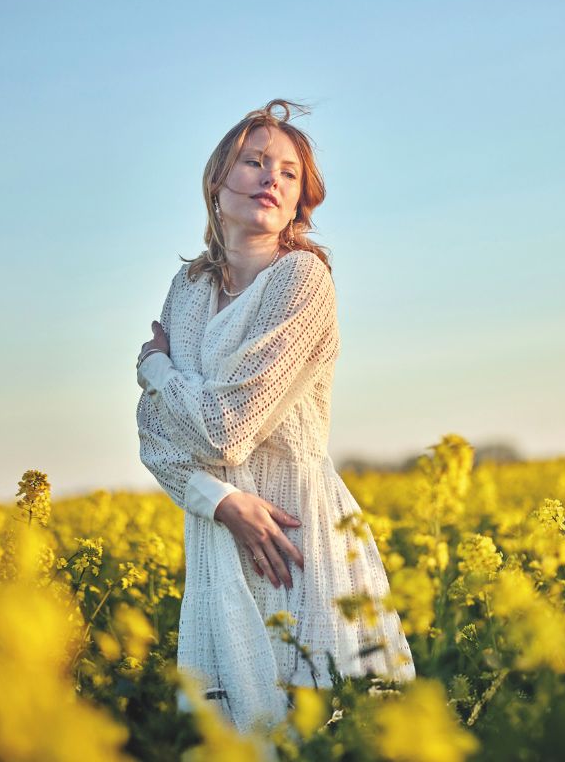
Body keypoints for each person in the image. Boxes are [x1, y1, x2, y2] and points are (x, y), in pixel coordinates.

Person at [135, 99, 415, 735]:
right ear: (217, 181)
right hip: (218, 535)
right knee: (232, 737)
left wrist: (155, 369)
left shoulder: (303, 281)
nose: (271, 178)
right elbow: (154, 440)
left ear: (299, 203)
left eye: (288, 173)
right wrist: (219, 500)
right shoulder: (189, 289)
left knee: (318, 725)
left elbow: (227, 426)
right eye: (254, 162)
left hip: (297, 534)